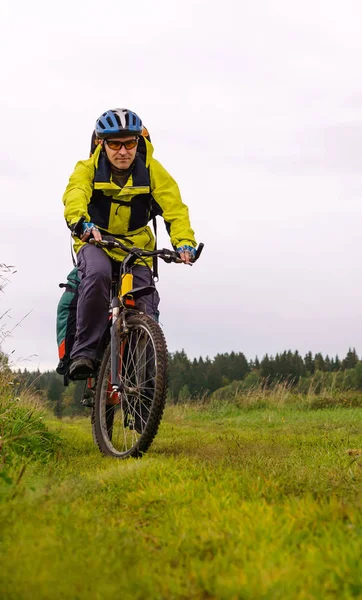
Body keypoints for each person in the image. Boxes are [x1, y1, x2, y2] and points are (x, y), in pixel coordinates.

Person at [63, 108, 197, 379]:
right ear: (102, 143)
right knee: (98, 275)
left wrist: (184, 242)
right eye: (114, 143)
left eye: (129, 143)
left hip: (137, 246)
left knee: (145, 302)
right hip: (96, 240)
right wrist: (81, 223)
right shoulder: (87, 168)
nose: (122, 151)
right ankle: (84, 354)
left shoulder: (152, 170)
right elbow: (75, 194)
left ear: (138, 142)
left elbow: (175, 208)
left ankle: (144, 387)